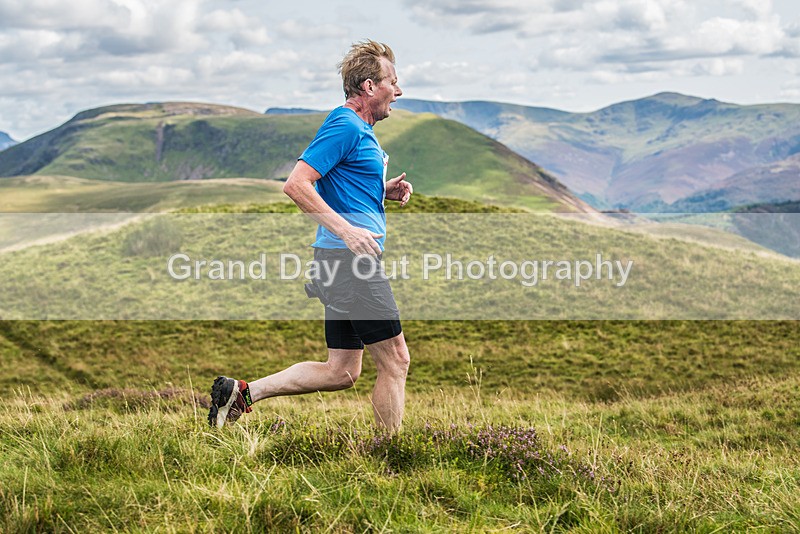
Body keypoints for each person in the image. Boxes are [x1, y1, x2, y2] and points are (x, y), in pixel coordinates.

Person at [208, 40, 413, 432]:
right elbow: (297, 184)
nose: (398, 91)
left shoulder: (358, 129)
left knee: (342, 370)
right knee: (396, 360)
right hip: (350, 262)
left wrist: (381, 190)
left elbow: (340, 184)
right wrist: (348, 231)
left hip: (338, 261)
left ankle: (241, 393)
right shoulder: (345, 125)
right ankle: (390, 453)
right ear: (369, 86)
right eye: (393, 82)